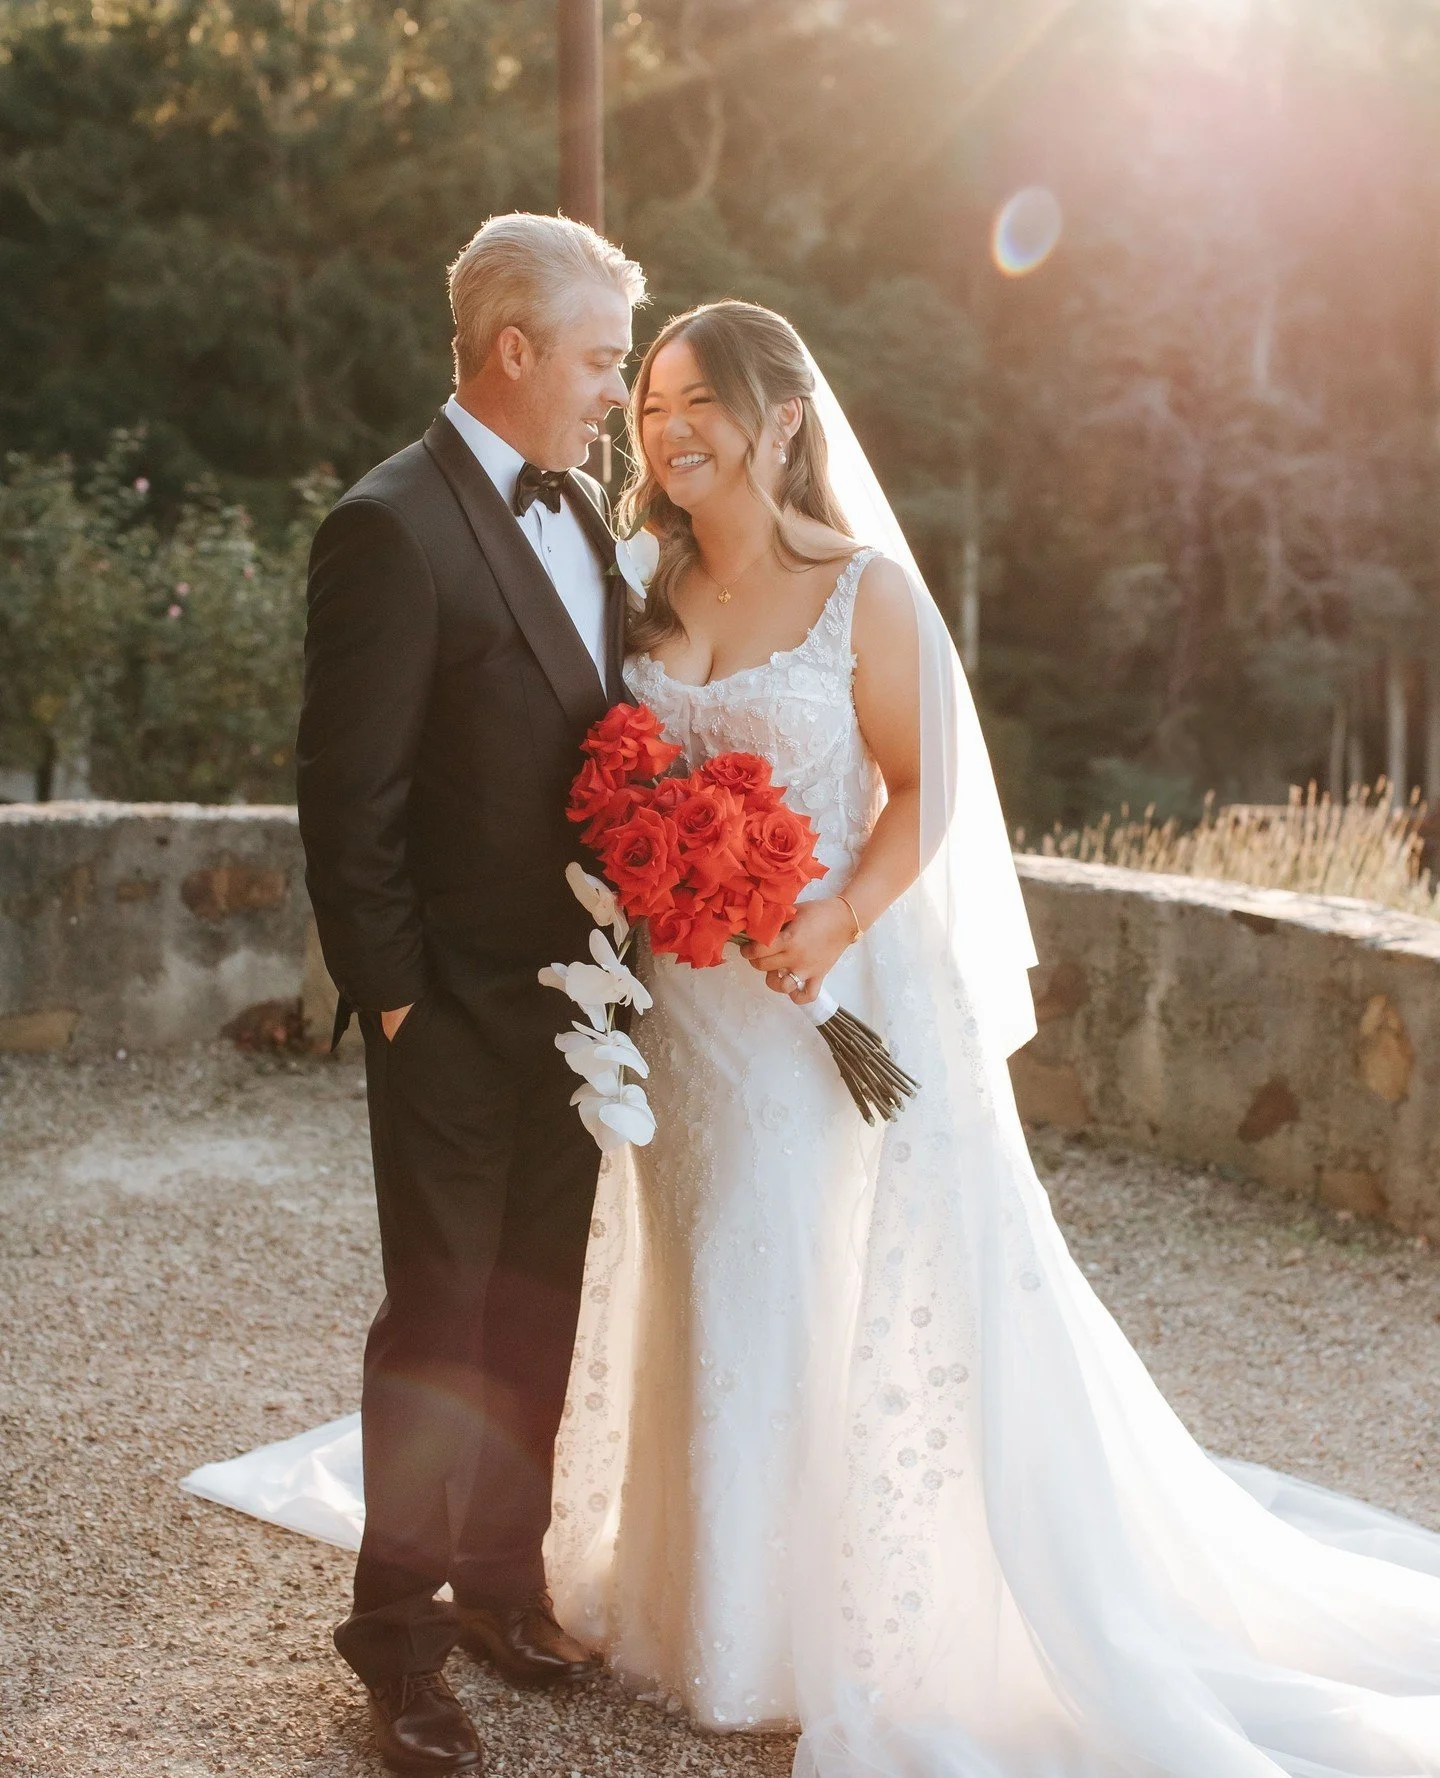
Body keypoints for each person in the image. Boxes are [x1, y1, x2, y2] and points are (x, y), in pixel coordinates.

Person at [195, 296, 1440, 1778]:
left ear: (782, 418)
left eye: (690, 399)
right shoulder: (630, 569)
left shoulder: (869, 594)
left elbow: (925, 793)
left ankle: (799, 1617)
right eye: (644, 398)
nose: (661, 428)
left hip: (808, 996)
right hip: (667, 1010)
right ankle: (656, 1589)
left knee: (798, 1264)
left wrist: (833, 915)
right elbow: (555, 753)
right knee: (687, 1272)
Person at [293, 212, 646, 1774]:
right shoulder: (391, 525)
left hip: (578, 1005)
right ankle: (399, 1644)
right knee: (439, 1323)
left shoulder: (591, 516)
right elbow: (345, 796)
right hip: (444, 1011)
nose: (614, 393)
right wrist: (396, 1004)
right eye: (597, 360)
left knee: (537, 1298)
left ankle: (505, 1580)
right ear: (514, 352)